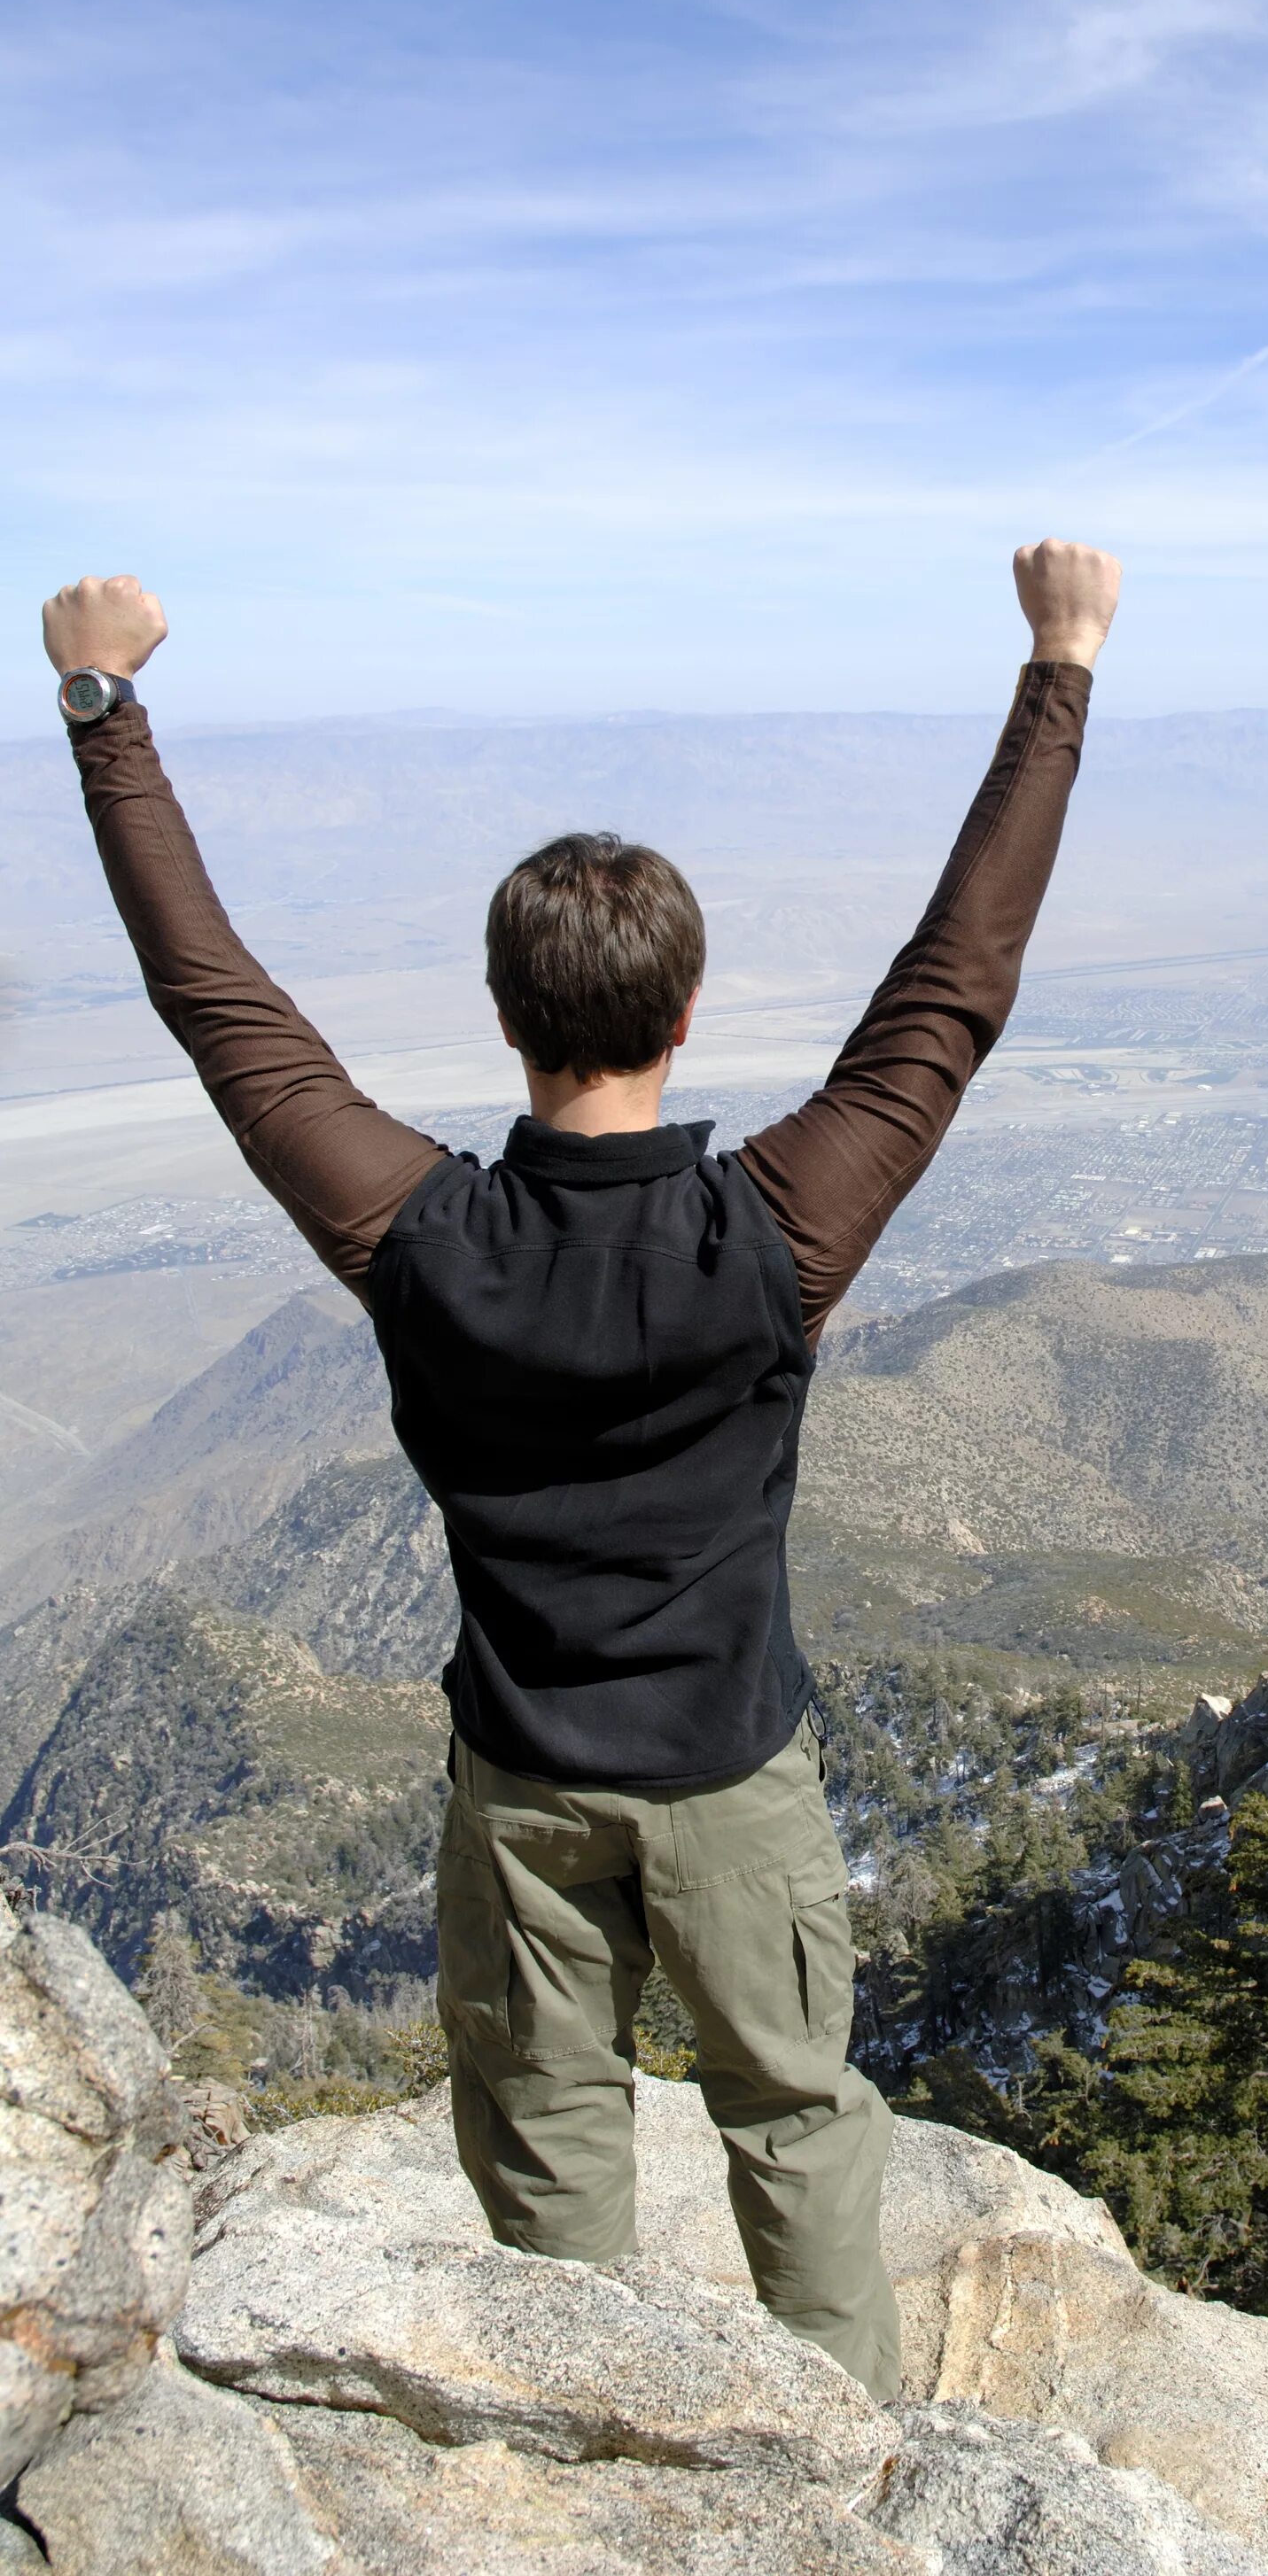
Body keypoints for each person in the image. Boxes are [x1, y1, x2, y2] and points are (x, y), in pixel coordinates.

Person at [42, 539, 1121, 2400]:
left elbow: (220, 1014)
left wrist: (103, 712)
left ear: (504, 1014)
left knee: (549, 2163)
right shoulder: (773, 1234)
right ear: (683, 1016)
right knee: (795, 2130)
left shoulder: (423, 1239)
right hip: (733, 1782)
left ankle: (588, 2449)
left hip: (524, 1789)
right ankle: (849, 2480)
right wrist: (1062, 662)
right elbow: (957, 987)